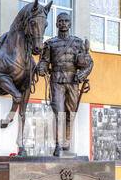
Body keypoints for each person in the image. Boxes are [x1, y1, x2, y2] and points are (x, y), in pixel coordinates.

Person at [38, 13, 94, 156]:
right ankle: (57, 144)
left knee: (71, 113)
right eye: (60, 21)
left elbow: (89, 62)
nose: (63, 23)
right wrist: (42, 67)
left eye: (66, 21)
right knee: (59, 113)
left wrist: (83, 73)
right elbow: (44, 61)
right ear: (56, 24)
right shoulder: (50, 43)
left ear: (70, 24)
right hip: (56, 81)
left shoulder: (78, 43)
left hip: (73, 82)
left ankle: (66, 141)